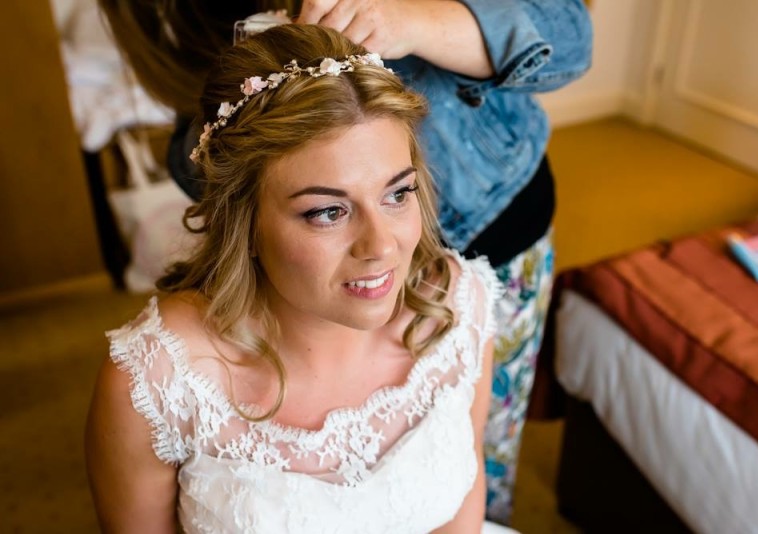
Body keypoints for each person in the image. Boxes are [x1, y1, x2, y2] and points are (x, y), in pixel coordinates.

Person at [98, 0, 593, 521]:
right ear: (240, 219)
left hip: (500, 213)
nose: (382, 246)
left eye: (400, 194)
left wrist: (415, 22)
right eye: (327, 211)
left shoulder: (465, 309)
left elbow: (566, 32)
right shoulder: (156, 381)